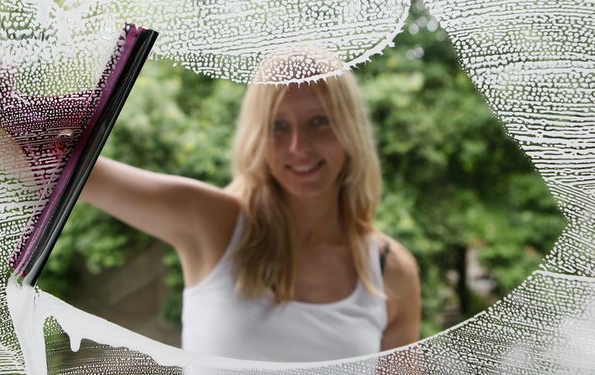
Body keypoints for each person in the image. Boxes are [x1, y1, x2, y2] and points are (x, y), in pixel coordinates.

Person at [79, 57, 421, 362]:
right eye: (278, 126)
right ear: (257, 136)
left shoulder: (391, 270)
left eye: (320, 121)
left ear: (350, 129)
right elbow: (70, 171)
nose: (298, 146)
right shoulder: (214, 223)